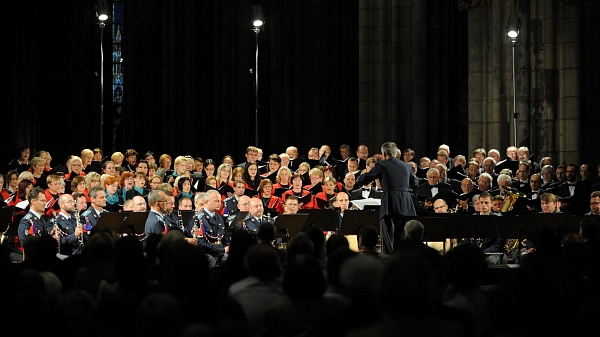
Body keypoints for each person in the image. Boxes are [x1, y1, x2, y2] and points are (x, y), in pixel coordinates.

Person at [357, 141, 417, 255]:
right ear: (396, 153)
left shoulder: (382, 165)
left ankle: (388, 262)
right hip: (405, 203)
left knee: (388, 238)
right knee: (403, 236)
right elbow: (415, 184)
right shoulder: (406, 166)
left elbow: (363, 180)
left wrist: (363, 175)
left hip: (390, 202)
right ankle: (401, 260)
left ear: (384, 154)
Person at [196, 189, 230, 263]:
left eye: (220, 201)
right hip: (208, 254)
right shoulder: (199, 218)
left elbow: (224, 237)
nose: (220, 204)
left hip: (220, 253)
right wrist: (222, 249)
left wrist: (228, 247)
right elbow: (202, 244)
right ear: (207, 202)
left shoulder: (219, 217)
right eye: (216, 201)